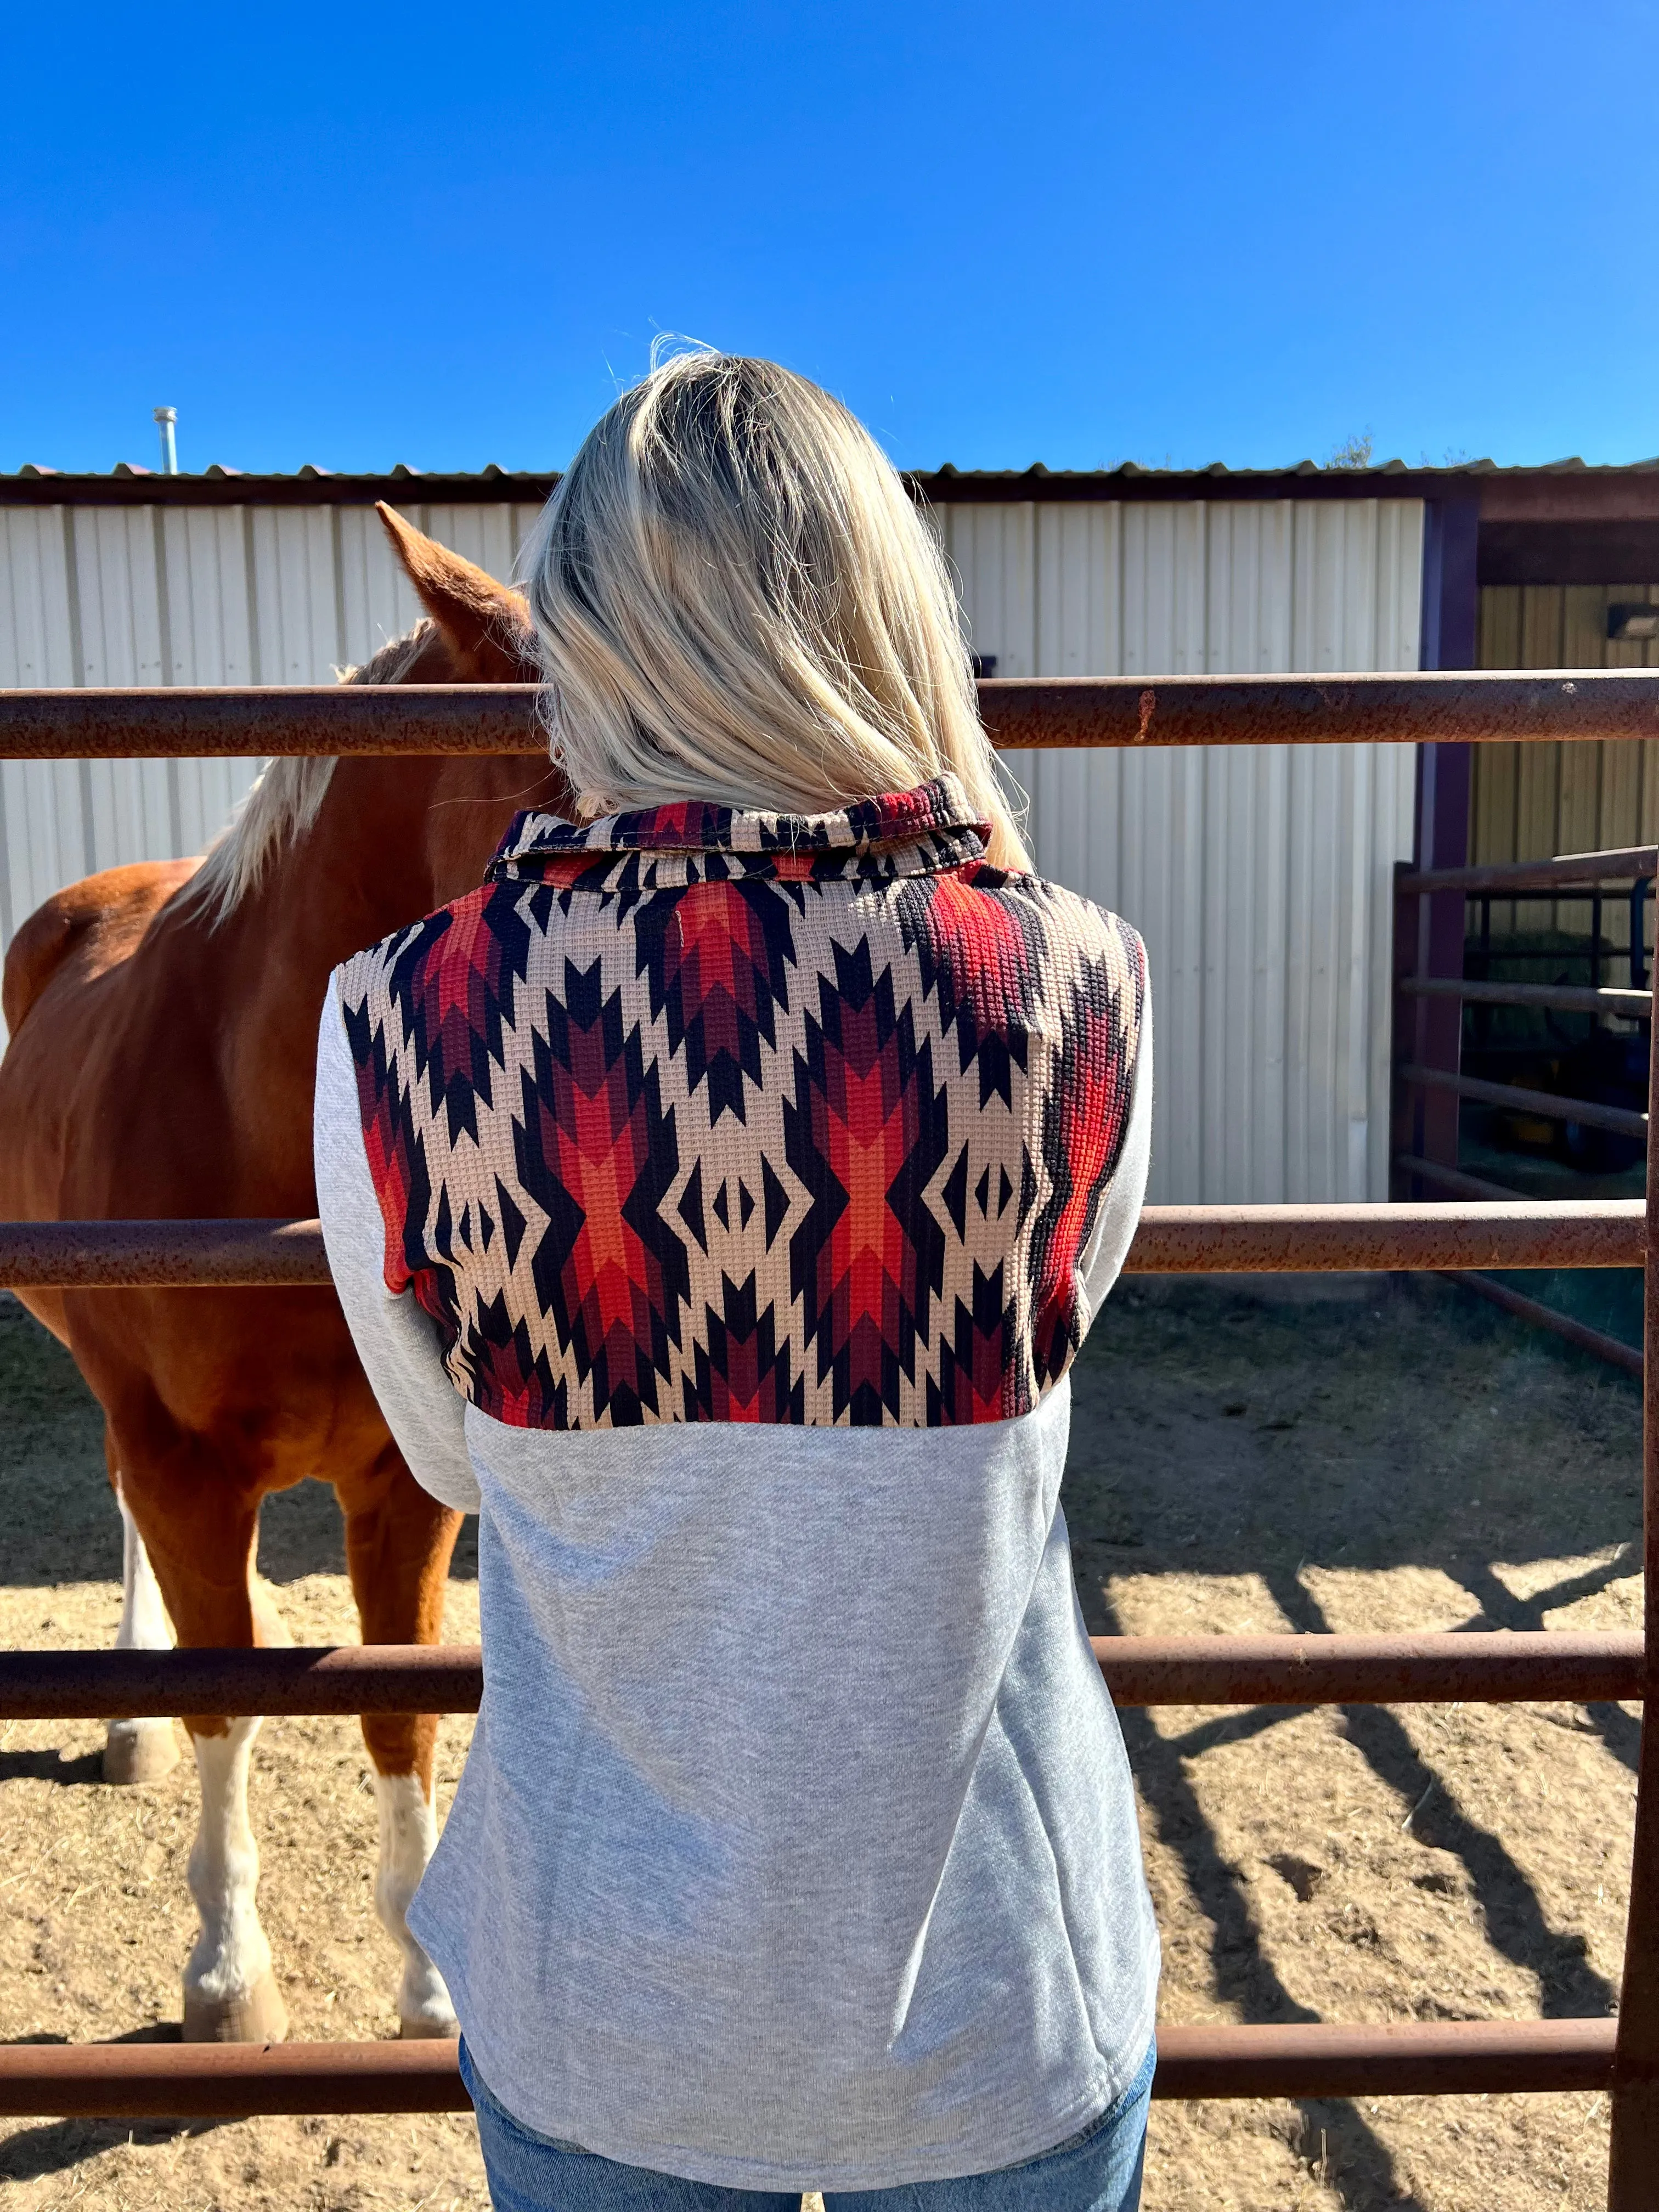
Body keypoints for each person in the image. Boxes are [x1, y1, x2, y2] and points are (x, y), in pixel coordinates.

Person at [314, 349, 1159, 2211]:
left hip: (601, 2014)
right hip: (999, 2012)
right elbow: (1051, 1345)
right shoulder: (1077, 986)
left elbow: (455, 1467)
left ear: (581, 640)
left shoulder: (395, 1026)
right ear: (883, 611)